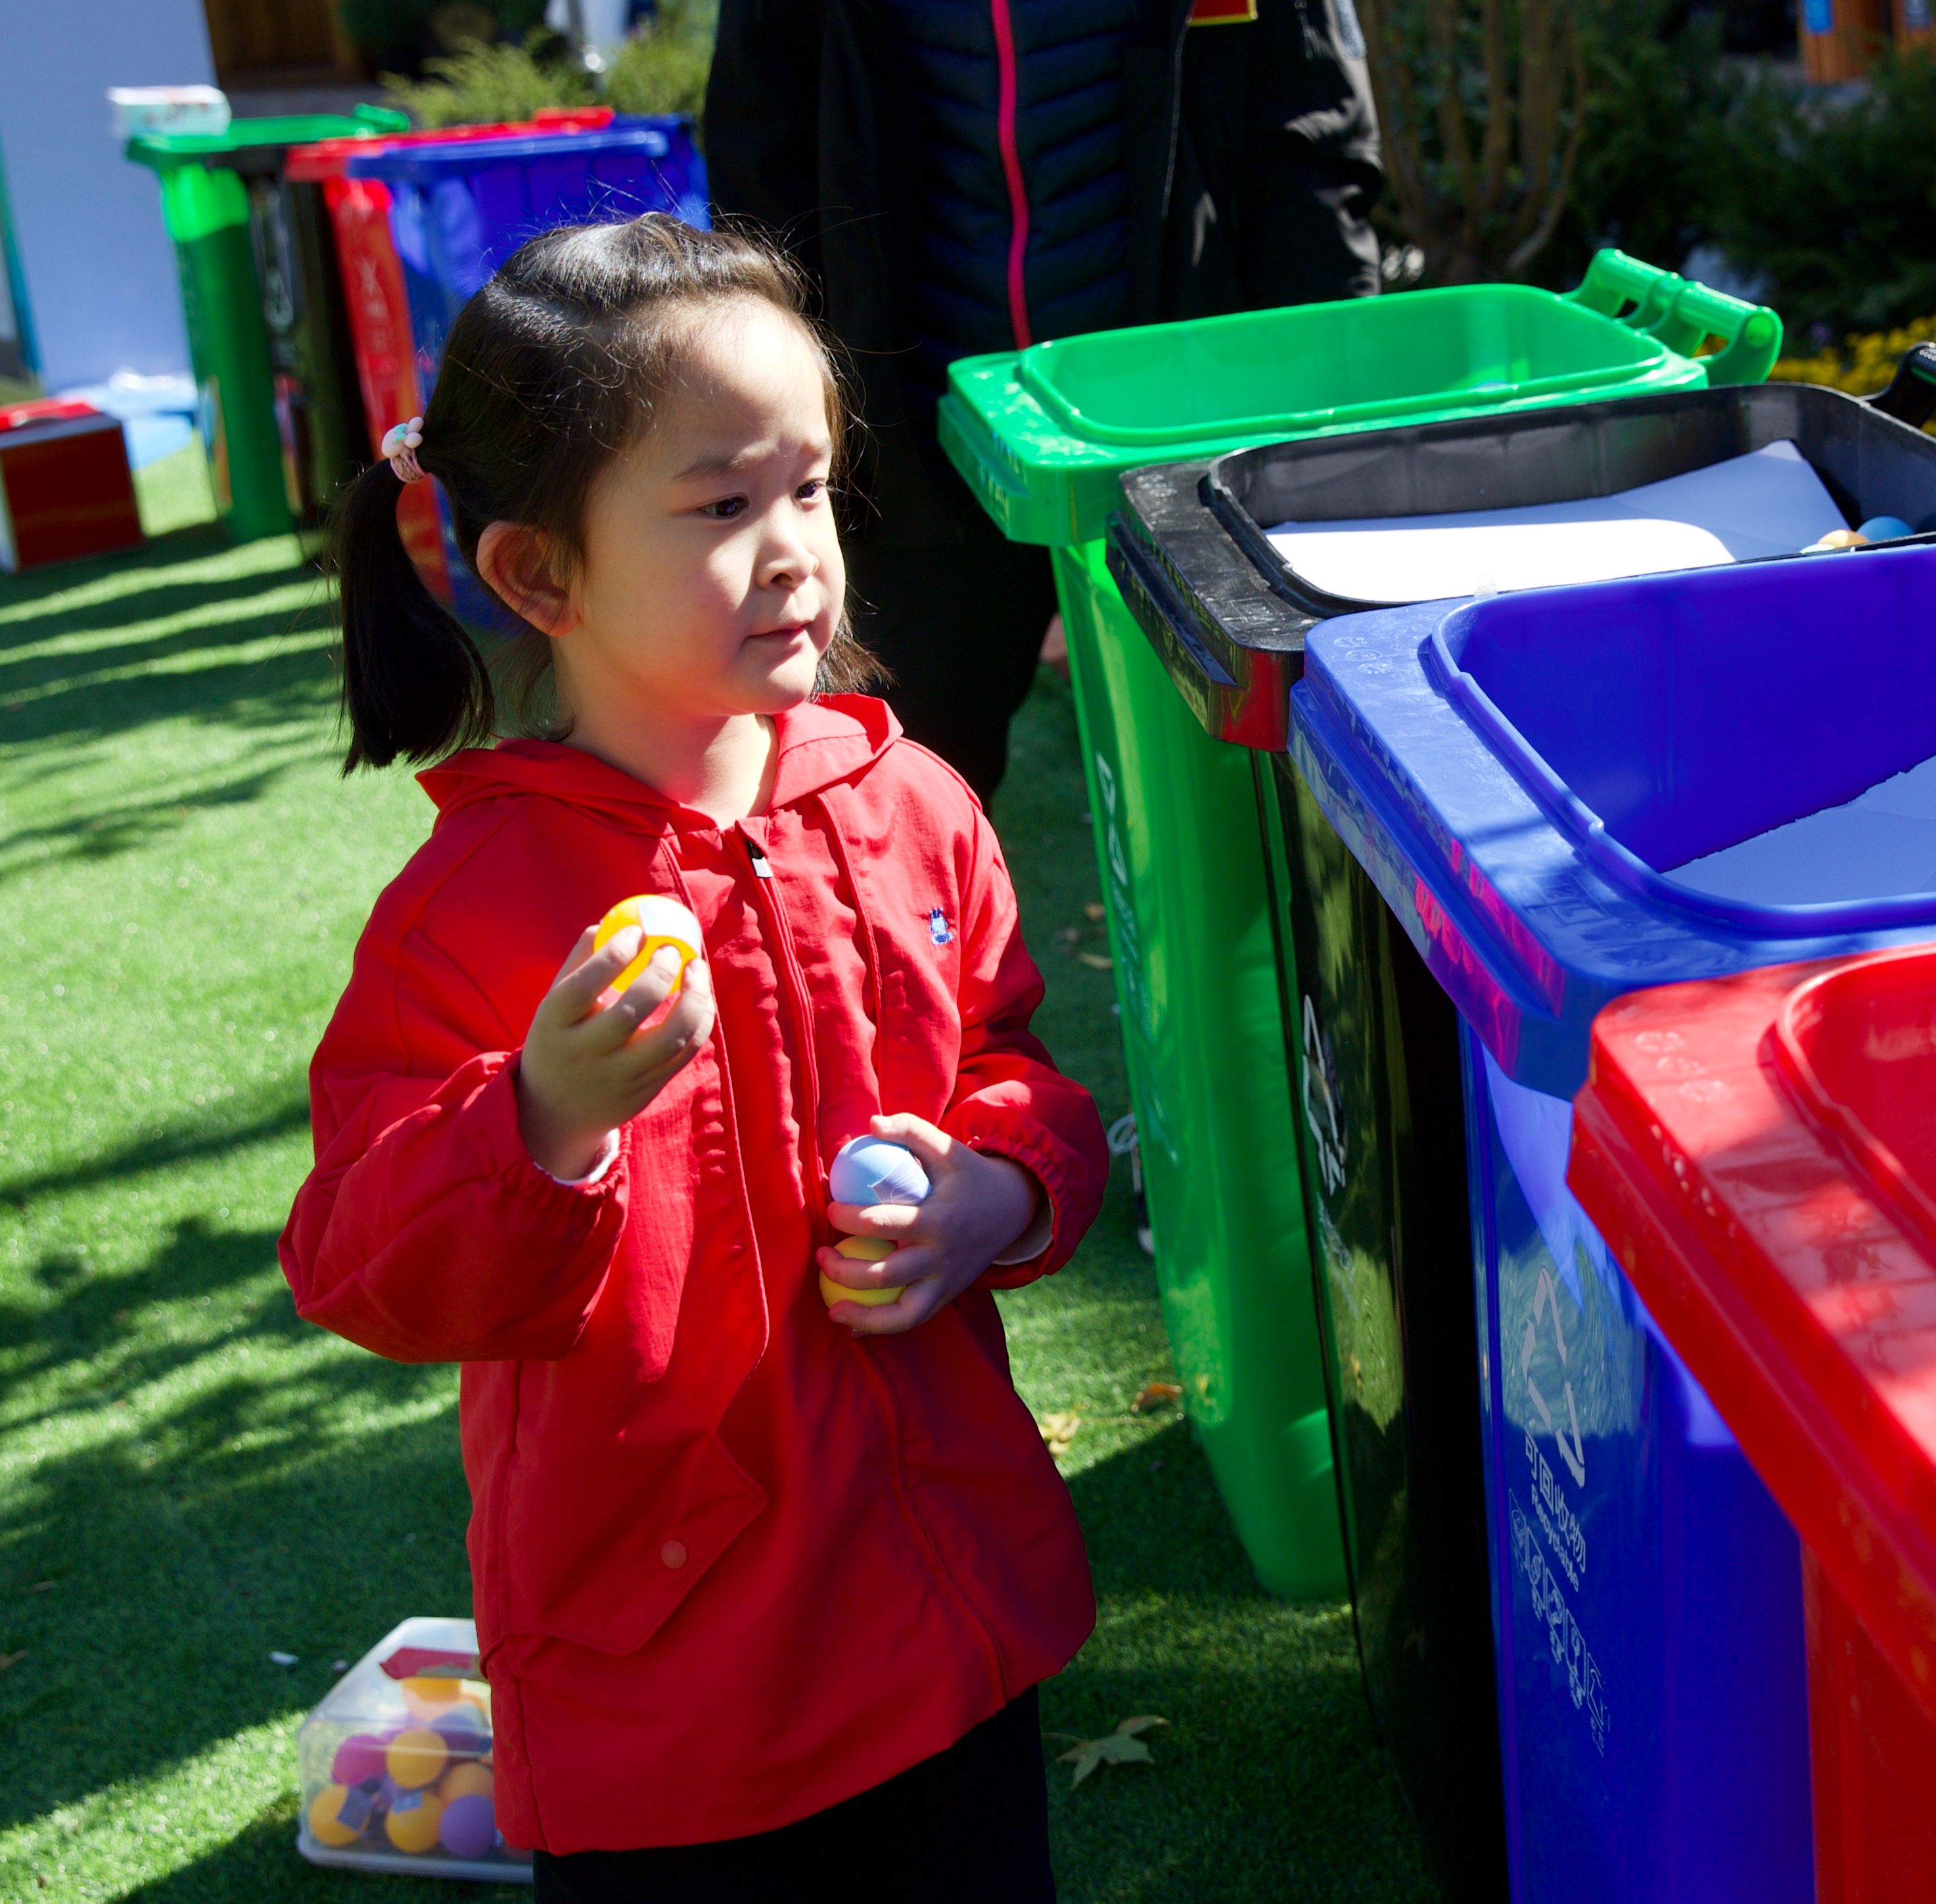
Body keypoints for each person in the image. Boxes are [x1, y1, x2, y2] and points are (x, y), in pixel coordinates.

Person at [280, 213, 1106, 1899]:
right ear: (537, 575)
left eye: (808, 487)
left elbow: (1010, 1067)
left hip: (943, 1626)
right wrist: (543, 1121)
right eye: (723, 505)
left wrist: (993, 1196)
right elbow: (359, 1263)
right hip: (675, 1697)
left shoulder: (910, 806)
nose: (796, 547)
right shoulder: (476, 914)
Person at [706, 0, 1385, 800]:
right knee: (879, 793)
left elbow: (1309, 151)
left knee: (1225, 805)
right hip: (912, 449)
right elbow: (760, 165)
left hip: (1182, 454)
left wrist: (1327, 443)